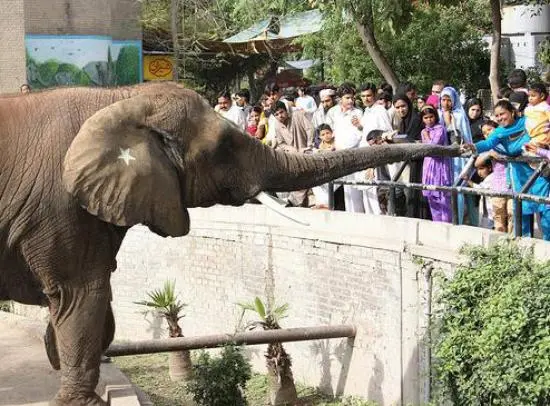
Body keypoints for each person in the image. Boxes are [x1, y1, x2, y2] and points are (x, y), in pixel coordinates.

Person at [463, 99, 550, 240]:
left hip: (539, 174)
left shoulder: (527, 122)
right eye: (496, 116)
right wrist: (473, 146)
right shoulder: (499, 132)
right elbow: (488, 143)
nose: (499, 118)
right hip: (519, 176)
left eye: (502, 114)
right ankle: (524, 248)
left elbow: (543, 128)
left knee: (546, 211)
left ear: (512, 112)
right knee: (521, 212)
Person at [439, 86, 476, 225]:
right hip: (442, 158)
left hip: (457, 159)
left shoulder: (459, 115)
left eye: (449, 100)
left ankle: (457, 221)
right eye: (443, 100)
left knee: (457, 189)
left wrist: (449, 121)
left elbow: (464, 138)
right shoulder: (437, 114)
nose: (446, 103)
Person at [326, 83, 365, 212]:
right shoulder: (333, 112)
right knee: (339, 190)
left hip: (354, 155)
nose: (351, 100)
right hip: (338, 154)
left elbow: (361, 134)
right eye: (347, 98)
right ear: (340, 99)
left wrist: (359, 125)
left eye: (352, 98)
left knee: (354, 192)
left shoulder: (358, 112)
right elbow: (329, 131)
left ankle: (358, 218)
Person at [271, 101, 314, 207]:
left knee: (304, 178)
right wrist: (290, 149)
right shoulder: (277, 125)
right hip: (293, 156)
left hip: (306, 153)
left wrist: (309, 145)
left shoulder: (297, 115)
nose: (280, 116)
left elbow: (310, 129)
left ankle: (294, 201)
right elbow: (281, 143)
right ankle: (299, 204)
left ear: (286, 110)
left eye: (281, 112)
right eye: (276, 114)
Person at [392, 93, 428, 219]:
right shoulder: (402, 122)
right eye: (397, 107)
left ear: (409, 105)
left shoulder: (416, 119)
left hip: (419, 163)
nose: (400, 110)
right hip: (409, 162)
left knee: (415, 192)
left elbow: (413, 139)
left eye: (403, 106)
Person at [477, 119, 513, 234]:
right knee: (498, 217)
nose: (487, 134)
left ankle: (512, 245)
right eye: (484, 132)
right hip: (497, 186)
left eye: (490, 130)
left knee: (512, 215)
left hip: (513, 185)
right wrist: (488, 154)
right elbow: (477, 163)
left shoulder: (509, 143)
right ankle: (499, 245)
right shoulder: (489, 148)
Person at [420, 106, 453, 222]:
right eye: (426, 118)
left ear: (435, 116)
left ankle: (447, 225)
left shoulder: (440, 129)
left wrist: (427, 137)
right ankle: (437, 224)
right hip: (428, 166)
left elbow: (433, 146)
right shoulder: (424, 131)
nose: (429, 120)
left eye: (431, 117)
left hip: (440, 165)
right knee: (431, 197)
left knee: (443, 198)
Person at [462, 158, 494, 229]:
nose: (479, 172)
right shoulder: (487, 178)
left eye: (482, 168)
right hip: (488, 212)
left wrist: (467, 180)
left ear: (489, 168)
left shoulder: (491, 178)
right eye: (477, 169)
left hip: (491, 212)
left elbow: (479, 188)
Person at [311, 124, 336, 209]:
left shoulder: (337, 142)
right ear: (320, 137)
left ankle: (328, 204)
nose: (326, 136)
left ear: (332, 133)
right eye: (323, 134)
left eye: (328, 133)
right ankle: (322, 203)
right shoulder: (319, 147)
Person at [523, 83, 550, 151]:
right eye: (529, 96)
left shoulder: (545, 107)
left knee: (536, 151)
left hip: (543, 135)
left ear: (542, 96)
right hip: (531, 137)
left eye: (533, 96)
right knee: (526, 150)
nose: (530, 98)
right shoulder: (528, 108)